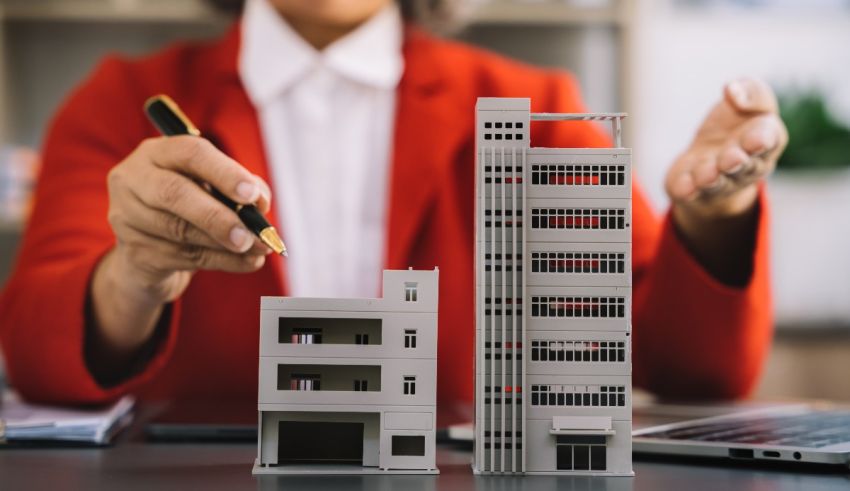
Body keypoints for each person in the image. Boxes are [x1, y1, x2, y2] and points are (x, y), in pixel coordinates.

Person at [0, 0, 786, 416]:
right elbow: (38, 356)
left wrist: (717, 214)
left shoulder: (537, 107)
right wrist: (133, 272)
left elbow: (691, 368)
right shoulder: (120, 103)